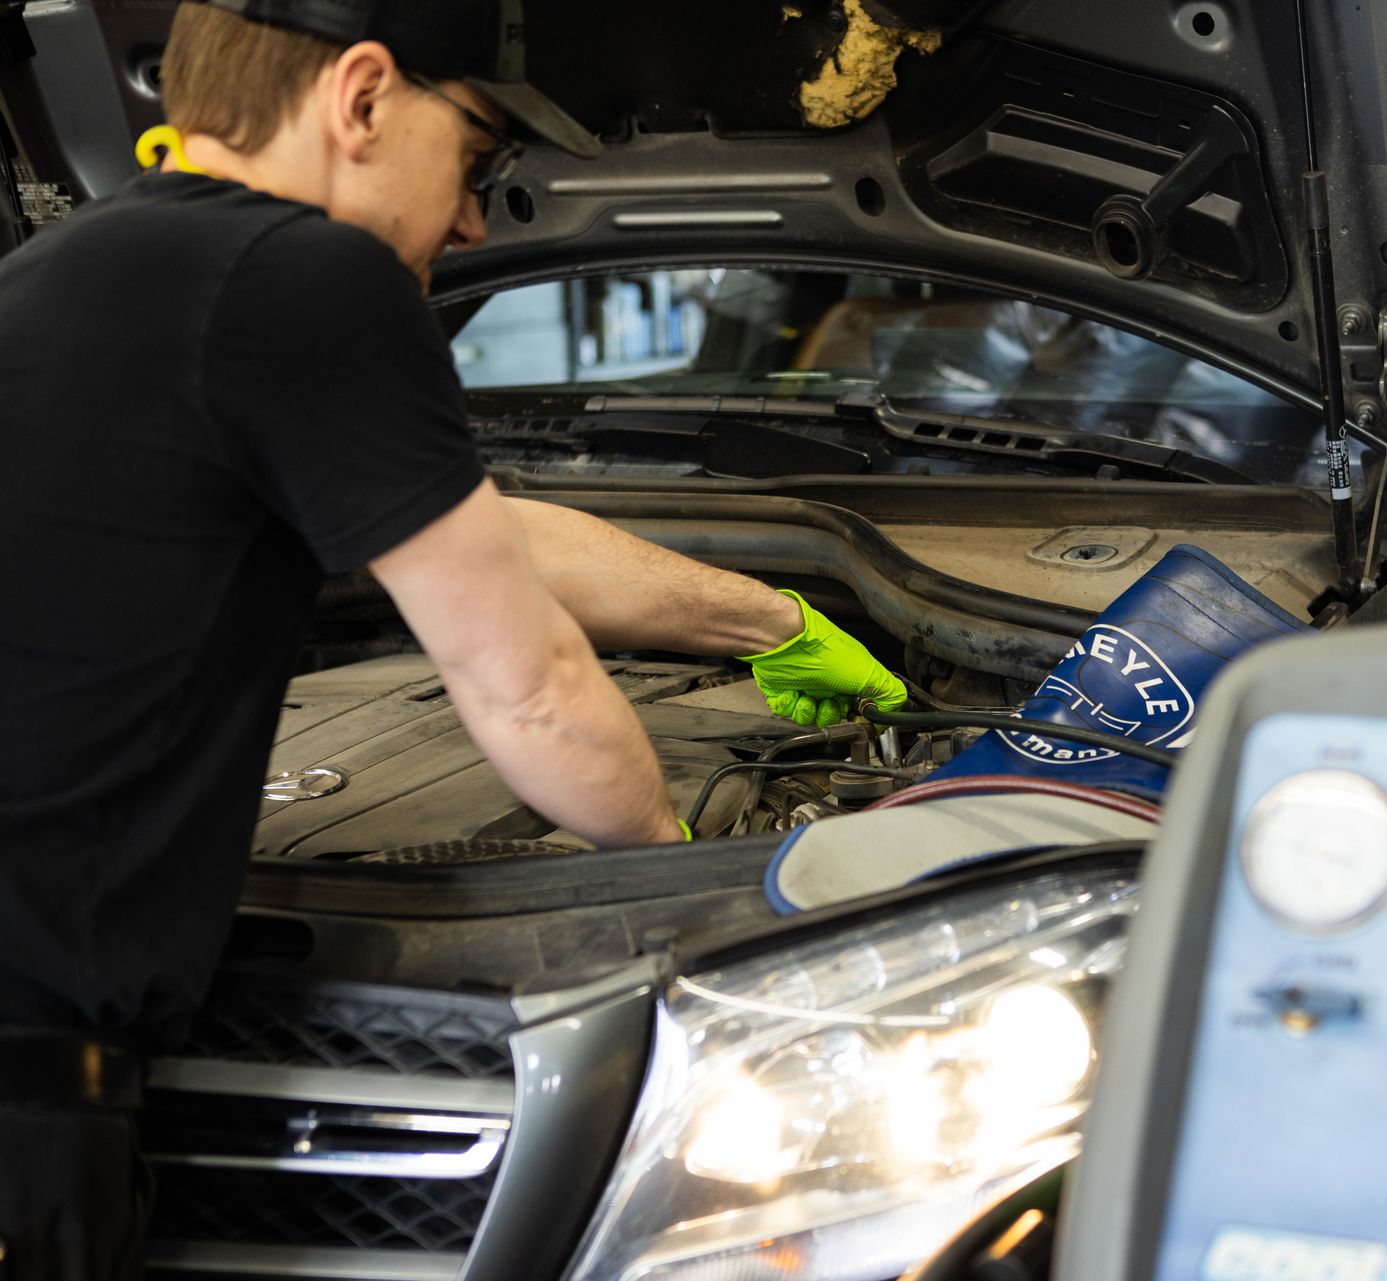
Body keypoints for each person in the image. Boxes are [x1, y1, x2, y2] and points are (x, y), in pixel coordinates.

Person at [0, 0, 905, 1275]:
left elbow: (483, 540)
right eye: (476, 156)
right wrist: (687, 892)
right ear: (363, 98)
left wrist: (773, 619)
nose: (477, 221)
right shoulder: (307, 276)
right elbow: (529, 688)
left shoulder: (75, 274)